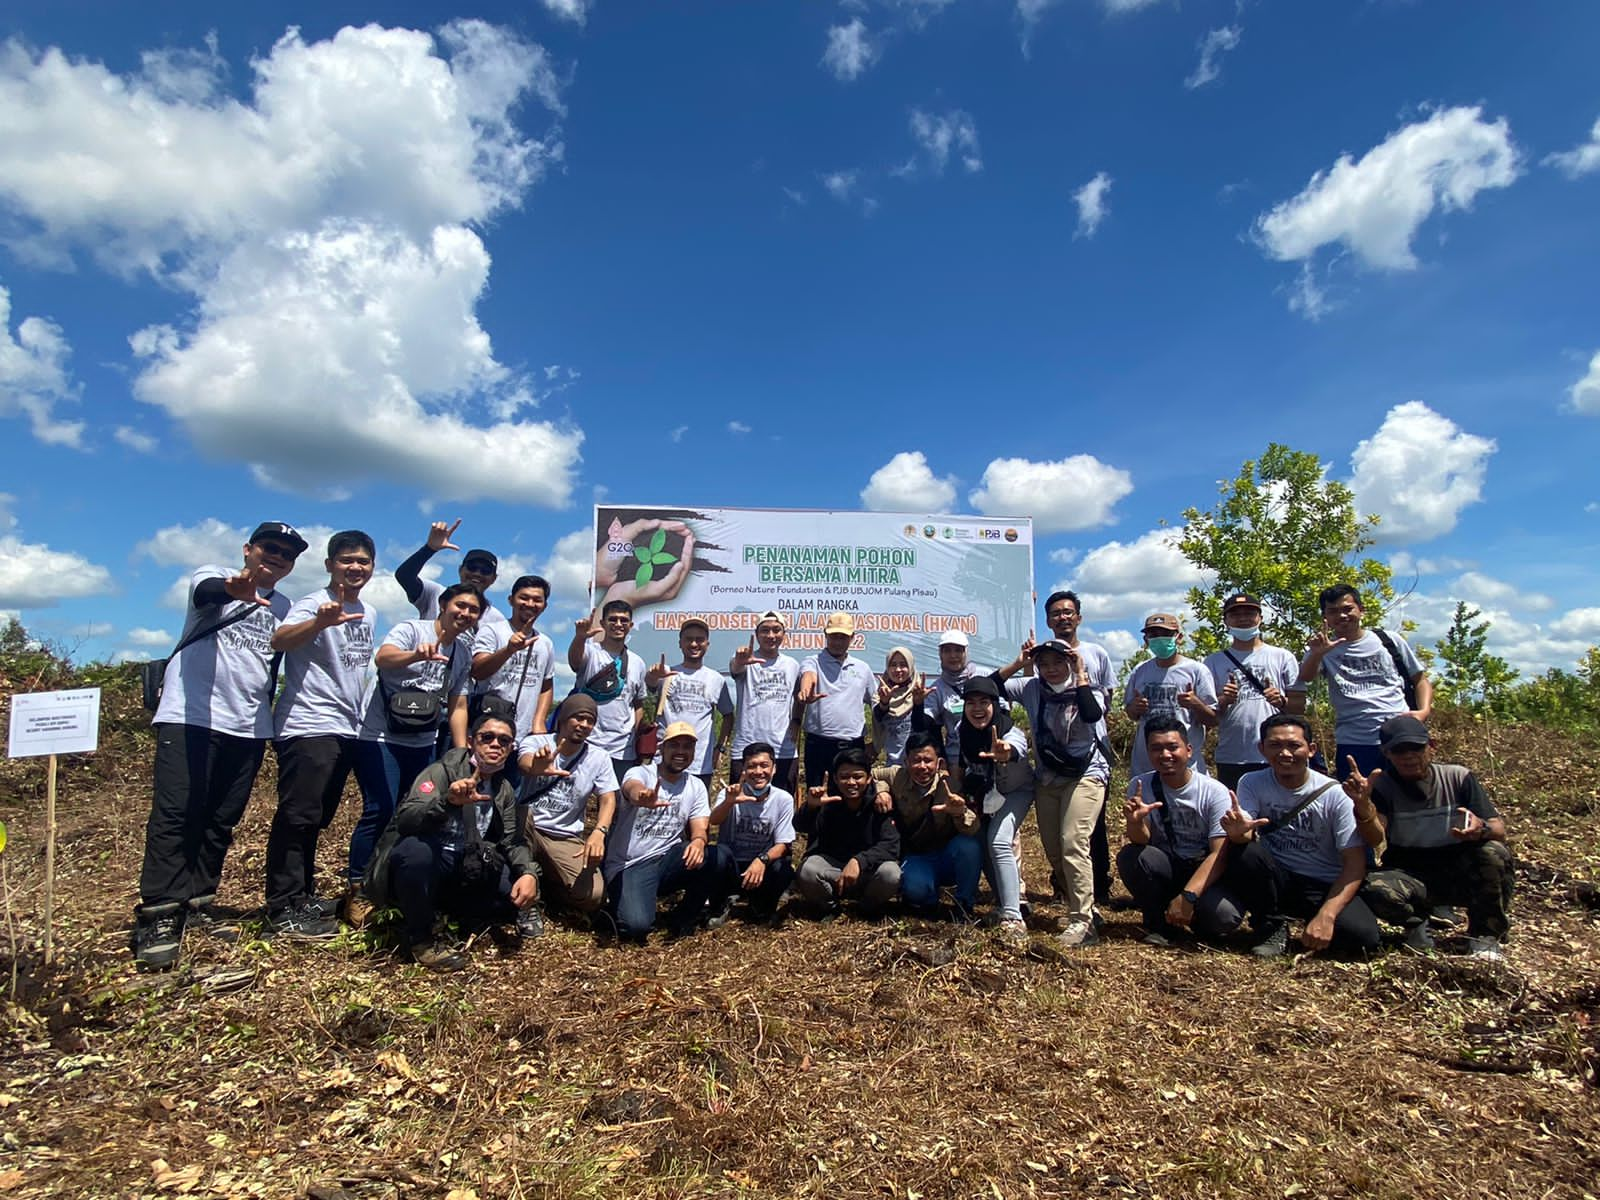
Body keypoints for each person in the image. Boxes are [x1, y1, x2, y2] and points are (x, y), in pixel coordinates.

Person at [132, 521, 306, 970]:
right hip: (190, 717)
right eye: (270, 548)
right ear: (248, 550)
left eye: (287, 555)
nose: (277, 558)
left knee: (220, 820)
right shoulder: (211, 576)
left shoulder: (283, 606)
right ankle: (159, 914)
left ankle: (198, 903)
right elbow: (210, 591)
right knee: (175, 815)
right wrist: (233, 587)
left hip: (248, 726)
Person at [263, 530, 377, 940]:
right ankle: (281, 908)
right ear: (330, 565)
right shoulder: (312, 603)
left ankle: (302, 895)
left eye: (363, 561)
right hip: (308, 725)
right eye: (346, 560)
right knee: (297, 817)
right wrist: (318, 622)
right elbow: (279, 639)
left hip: (346, 728)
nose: (355, 567)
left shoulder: (370, 612)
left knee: (317, 817)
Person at [361, 712, 538, 971]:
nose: (495, 745)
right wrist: (446, 802)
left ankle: (445, 911)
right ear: (470, 742)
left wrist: (528, 873)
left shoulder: (503, 789)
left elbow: (512, 841)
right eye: (487, 737)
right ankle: (420, 938)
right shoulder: (440, 773)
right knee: (414, 853)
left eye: (504, 741)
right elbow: (406, 821)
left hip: (467, 860)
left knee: (510, 898)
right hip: (434, 857)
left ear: (511, 749)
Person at [347, 583, 481, 915]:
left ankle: (392, 882)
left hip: (423, 743)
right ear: (443, 604)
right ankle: (358, 889)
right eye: (459, 605)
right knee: (380, 809)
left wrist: (460, 752)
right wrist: (416, 655)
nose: (464, 614)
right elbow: (383, 657)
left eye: (473, 610)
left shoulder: (461, 652)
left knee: (414, 814)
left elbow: (458, 703)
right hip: (381, 738)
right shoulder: (412, 629)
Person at [1354, 716, 1513, 959]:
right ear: (1386, 753)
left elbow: (1499, 830)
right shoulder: (1383, 787)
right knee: (1373, 887)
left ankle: (1485, 934)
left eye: (1416, 747)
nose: (1408, 756)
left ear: (1432, 746)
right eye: (1399, 749)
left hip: (1460, 867)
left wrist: (1480, 830)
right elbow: (1376, 837)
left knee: (1494, 852)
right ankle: (1417, 926)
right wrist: (1364, 807)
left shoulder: (1458, 777)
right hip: (1411, 871)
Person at [1220, 713, 1379, 958]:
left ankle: (1316, 920)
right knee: (1244, 852)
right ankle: (1271, 926)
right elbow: (1246, 831)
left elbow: (1355, 863)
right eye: (1275, 745)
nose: (1284, 753)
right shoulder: (1251, 782)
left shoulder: (1335, 794)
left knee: (1363, 939)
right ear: (1262, 749)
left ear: (1311, 749)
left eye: (1294, 745)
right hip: (1278, 879)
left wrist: (1327, 915)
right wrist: (1239, 833)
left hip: (1325, 884)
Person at [1116, 715, 1242, 946]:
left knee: (1224, 917)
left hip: (1204, 870)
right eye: (1156, 749)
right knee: (1132, 856)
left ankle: (1189, 913)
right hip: (1169, 865)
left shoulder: (1214, 792)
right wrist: (1135, 822)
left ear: (1189, 750)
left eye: (1172, 747)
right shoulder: (1141, 786)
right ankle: (1158, 923)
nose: (1165, 755)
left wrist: (1188, 896)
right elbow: (1141, 840)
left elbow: (1219, 854)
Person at [1298, 583, 1432, 780]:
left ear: (1361, 610)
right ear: (1325, 617)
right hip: (1355, 740)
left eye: (1347, 609)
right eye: (1333, 611)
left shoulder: (1388, 640)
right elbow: (1306, 677)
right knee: (1360, 801)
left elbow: (1419, 679)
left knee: (1410, 797)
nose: (1342, 616)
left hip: (1400, 735)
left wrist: (1423, 712)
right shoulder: (1322, 648)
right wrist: (1317, 654)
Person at [1037, 590, 1118, 907]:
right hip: (1054, 762)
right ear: (1048, 620)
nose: (1062, 617)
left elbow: (1104, 702)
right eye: (1056, 613)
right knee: (1063, 831)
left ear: (1079, 617)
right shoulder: (1042, 657)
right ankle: (1065, 888)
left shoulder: (1096, 653)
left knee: (1091, 828)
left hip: (1092, 755)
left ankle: (1100, 888)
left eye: (1068, 612)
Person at [514, 694, 619, 936]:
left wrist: (599, 832)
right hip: (530, 828)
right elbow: (526, 763)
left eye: (589, 720)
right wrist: (538, 766)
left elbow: (608, 798)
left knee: (593, 896)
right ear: (563, 718)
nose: (583, 725)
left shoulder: (598, 757)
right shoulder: (538, 742)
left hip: (563, 835)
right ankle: (528, 905)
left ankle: (548, 886)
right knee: (522, 816)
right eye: (578, 717)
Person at [606, 722, 710, 941]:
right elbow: (631, 787)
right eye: (675, 746)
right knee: (636, 928)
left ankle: (685, 916)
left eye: (687, 747)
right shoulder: (641, 772)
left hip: (667, 859)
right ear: (662, 748)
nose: (681, 752)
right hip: (632, 863)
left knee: (716, 857)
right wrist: (641, 796)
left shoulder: (696, 785)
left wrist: (699, 841)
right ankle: (616, 901)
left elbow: (700, 825)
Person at [949, 677, 1033, 940]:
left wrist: (1005, 752)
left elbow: (1017, 747)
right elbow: (959, 766)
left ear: (995, 704)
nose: (977, 709)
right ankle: (1006, 903)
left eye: (984, 702)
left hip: (1016, 792)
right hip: (986, 796)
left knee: (999, 842)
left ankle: (1013, 918)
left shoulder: (1008, 731)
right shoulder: (963, 730)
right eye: (971, 702)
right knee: (983, 844)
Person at [1204, 593, 1307, 791]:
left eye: (1250, 613)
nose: (1243, 618)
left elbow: (1299, 708)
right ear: (1226, 621)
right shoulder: (1213, 662)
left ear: (1260, 617)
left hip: (1278, 754)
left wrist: (1282, 701)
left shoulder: (1282, 657)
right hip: (1232, 756)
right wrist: (1224, 700)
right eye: (1235, 614)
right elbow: (1208, 717)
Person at [687, 741, 796, 929]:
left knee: (783, 868)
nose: (758, 772)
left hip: (761, 866)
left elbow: (784, 843)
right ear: (743, 770)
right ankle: (720, 903)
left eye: (764, 766)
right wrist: (729, 802)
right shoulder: (730, 793)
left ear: (774, 768)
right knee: (716, 855)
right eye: (751, 766)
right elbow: (714, 821)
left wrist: (762, 860)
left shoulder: (783, 799)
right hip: (733, 864)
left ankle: (762, 905)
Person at [874, 732, 981, 918]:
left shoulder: (951, 786)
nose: (922, 767)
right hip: (917, 856)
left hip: (946, 854)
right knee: (917, 891)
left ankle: (964, 902)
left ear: (938, 763)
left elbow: (973, 828)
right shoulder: (896, 775)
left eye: (928, 760)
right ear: (906, 761)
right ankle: (929, 900)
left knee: (970, 847)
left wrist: (959, 812)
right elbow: (871, 775)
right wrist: (882, 792)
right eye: (916, 761)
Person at [792, 748, 902, 918]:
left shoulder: (879, 803)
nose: (851, 782)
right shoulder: (828, 800)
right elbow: (800, 826)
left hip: (867, 871)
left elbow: (891, 845)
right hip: (834, 869)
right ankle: (830, 906)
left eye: (857, 776)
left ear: (869, 778)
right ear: (835, 779)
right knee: (807, 870)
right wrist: (812, 806)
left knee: (891, 873)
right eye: (844, 777)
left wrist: (860, 861)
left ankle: (867, 907)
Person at [1123, 613, 1218, 778]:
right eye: (1153, 635)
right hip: (1146, 767)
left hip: (1187, 768)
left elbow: (1213, 719)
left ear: (1179, 637)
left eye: (1165, 634)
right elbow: (1131, 714)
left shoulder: (1196, 670)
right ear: (1146, 640)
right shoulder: (1140, 671)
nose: (1159, 639)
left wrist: (1196, 704)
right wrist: (1135, 708)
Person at [567, 600, 650, 783]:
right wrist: (580, 637)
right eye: (613, 619)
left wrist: (634, 737)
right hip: (588, 744)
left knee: (615, 804)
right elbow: (574, 662)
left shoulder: (638, 663)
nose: (618, 624)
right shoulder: (590, 652)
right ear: (603, 623)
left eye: (623, 620)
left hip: (622, 751)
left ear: (631, 625)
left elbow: (638, 704)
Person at [648, 618, 735, 789]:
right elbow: (649, 685)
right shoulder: (666, 674)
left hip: (700, 763)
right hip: (663, 761)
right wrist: (652, 676)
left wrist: (720, 748)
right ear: (680, 643)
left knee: (697, 812)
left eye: (699, 639)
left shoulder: (716, 679)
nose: (694, 644)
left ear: (707, 644)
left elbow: (728, 716)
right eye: (689, 639)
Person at [470, 574, 556, 738]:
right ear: (511, 600)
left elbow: (546, 685)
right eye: (524, 598)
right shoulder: (492, 631)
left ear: (545, 605)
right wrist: (508, 650)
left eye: (537, 600)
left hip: (525, 734)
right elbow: (477, 671)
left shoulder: (546, 643)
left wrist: (539, 720)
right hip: (489, 731)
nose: (530, 604)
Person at [796, 613, 877, 788]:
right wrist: (806, 690)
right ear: (825, 635)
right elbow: (808, 676)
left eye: (843, 637)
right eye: (834, 636)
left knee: (853, 801)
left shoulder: (862, 668)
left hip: (853, 746)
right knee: (818, 799)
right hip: (819, 746)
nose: (838, 641)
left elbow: (878, 706)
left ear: (853, 637)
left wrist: (876, 743)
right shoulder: (813, 661)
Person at [727, 612, 802, 792]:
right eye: (765, 630)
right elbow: (736, 669)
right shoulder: (745, 661)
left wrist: (797, 720)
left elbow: (799, 698)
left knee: (782, 803)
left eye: (776, 630)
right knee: (741, 804)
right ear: (756, 634)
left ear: (784, 634)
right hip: (747, 747)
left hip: (783, 749)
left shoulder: (792, 665)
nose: (771, 636)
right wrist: (740, 661)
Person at [394, 519, 509, 632]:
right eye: (472, 567)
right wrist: (429, 549)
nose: (477, 573)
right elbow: (404, 576)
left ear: (494, 578)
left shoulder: (497, 619)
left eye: (485, 571)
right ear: (460, 570)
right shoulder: (435, 593)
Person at [925, 629, 985, 763]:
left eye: (958, 650)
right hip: (956, 758)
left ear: (966, 652)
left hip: (988, 753)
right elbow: (926, 725)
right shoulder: (935, 689)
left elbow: (1003, 710)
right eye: (947, 650)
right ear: (940, 654)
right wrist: (918, 704)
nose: (953, 655)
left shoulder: (984, 676)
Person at [871, 646, 933, 767]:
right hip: (892, 765)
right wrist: (884, 702)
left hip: (918, 766)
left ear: (910, 666)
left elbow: (922, 727)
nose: (898, 669)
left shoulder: (920, 692)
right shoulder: (881, 693)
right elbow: (878, 716)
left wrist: (918, 703)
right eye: (893, 665)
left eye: (903, 665)